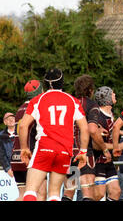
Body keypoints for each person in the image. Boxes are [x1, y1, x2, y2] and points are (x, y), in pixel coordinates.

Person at [19, 68, 89, 201]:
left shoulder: (38, 99)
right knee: (55, 194)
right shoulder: (72, 100)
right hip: (64, 150)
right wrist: (83, 151)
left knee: (30, 191)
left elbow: (23, 126)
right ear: (62, 82)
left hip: (45, 146)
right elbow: (84, 128)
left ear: (45, 83)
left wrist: (24, 148)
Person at [62, 74, 111, 201]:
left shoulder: (69, 103)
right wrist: (105, 149)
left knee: (68, 192)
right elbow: (92, 130)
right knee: (87, 191)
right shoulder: (91, 104)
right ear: (90, 90)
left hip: (68, 151)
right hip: (84, 152)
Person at [10, 80, 47, 201]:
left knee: (23, 195)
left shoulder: (20, 109)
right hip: (30, 156)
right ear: (40, 91)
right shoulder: (36, 108)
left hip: (16, 156)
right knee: (41, 194)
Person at [92, 86, 123, 201]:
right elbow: (95, 145)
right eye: (112, 94)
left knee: (116, 192)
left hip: (108, 160)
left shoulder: (110, 113)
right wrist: (119, 146)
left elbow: (112, 130)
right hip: (98, 160)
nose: (115, 95)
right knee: (99, 195)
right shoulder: (98, 117)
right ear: (107, 99)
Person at [0, 112, 16, 179]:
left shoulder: (22, 131)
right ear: (5, 122)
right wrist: (8, 168)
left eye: (12, 118)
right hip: (11, 169)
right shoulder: (1, 136)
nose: (11, 120)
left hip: (24, 166)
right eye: (8, 119)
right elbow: (1, 154)